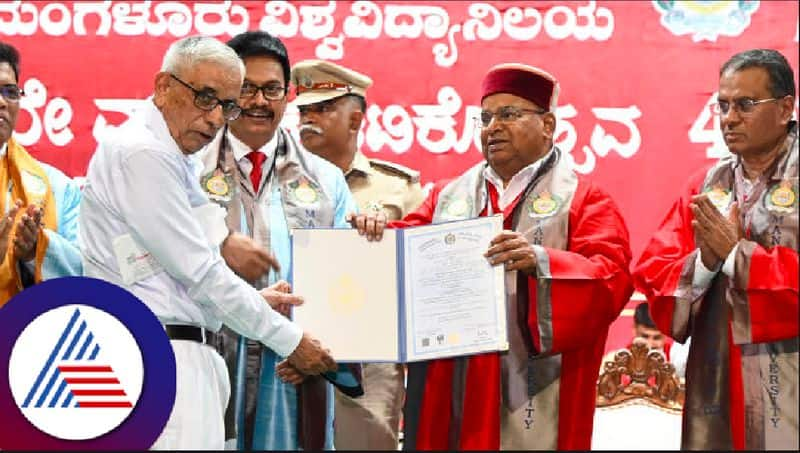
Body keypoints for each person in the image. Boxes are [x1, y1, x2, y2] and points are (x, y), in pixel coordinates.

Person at [79, 36, 336, 450]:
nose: (217, 118)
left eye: (226, 105)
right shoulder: (142, 153)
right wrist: (290, 341)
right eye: (205, 98)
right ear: (163, 86)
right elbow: (202, 273)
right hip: (156, 362)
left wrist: (258, 301)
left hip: (176, 357)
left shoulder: (173, 155)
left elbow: (203, 252)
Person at [360, 63, 633, 450]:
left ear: (548, 125)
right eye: (485, 117)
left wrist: (541, 262)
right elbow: (404, 249)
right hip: (450, 379)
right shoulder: (447, 197)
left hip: (533, 382)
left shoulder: (584, 200)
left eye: (509, 114)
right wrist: (371, 231)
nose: (493, 127)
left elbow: (610, 279)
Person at [196, 32, 359, 451]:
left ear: (288, 96)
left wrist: (320, 351)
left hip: (292, 369)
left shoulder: (325, 180)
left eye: (271, 89)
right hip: (208, 356)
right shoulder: (188, 168)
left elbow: (346, 283)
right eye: (246, 88)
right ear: (227, 93)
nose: (258, 101)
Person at [633, 48, 798, 450]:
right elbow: (654, 270)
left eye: (745, 104)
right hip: (717, 378)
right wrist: (706, 261)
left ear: (785, 108)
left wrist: (738, 256)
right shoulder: (707, 186)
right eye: (722, 105)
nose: (729, 118)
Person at [291, 59, 425, 450]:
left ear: (355, 120)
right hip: (290, 349)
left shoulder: (398, 188)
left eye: (323, 108)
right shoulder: (275, 182)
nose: (309, 119)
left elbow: (422, 268)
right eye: (304, 110)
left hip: (370, 357)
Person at [0, 40, 81, 306]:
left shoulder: (57, 188)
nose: (2, 102)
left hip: (27, 338)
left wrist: (36, 250)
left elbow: (87, 271)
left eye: (10, 91)